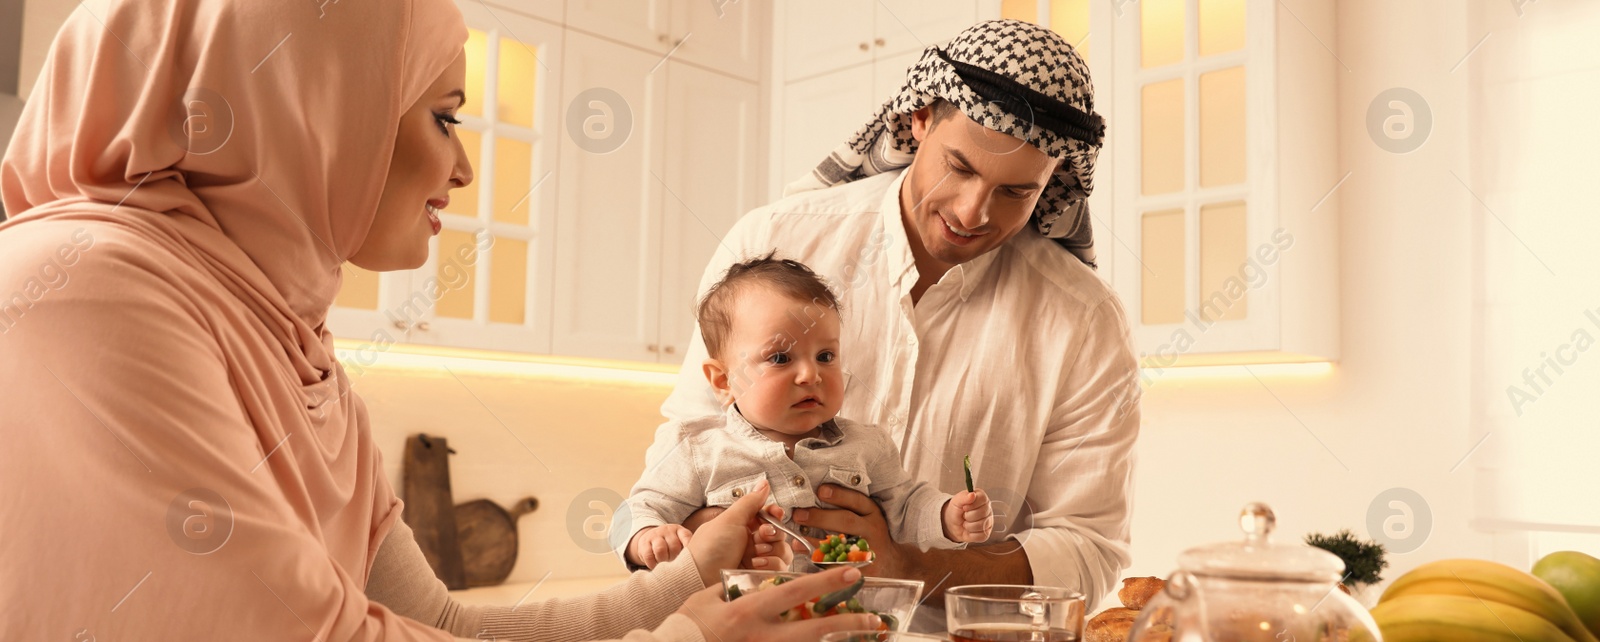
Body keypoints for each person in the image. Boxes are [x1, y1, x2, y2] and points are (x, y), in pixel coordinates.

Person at [0, 0, 877, 640]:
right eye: (443, 116)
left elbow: (442, 625)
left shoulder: (294, 350)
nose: (461, 168)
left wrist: (691, 574)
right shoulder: (85, 292)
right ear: (313, 104)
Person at [658, 19, 1143, 623]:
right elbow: (686, 446)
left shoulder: (1084, 320)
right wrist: (713, 530)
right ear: (919, 119)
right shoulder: (774, 239)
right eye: (959, 168)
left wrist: (910, 566)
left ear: (1051, 183)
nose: (973, 213)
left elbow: (1090, 551)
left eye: (1016, 192)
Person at [619, 254, 994, 571]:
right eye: (780, 358)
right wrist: (647, 537)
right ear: (722, 381)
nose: (810, 374)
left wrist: (947, 516)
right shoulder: (696, 448)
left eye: (825, 356)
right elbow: (637, 510)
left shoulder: (868, 445)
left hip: (842, 622)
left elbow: (907, 506)